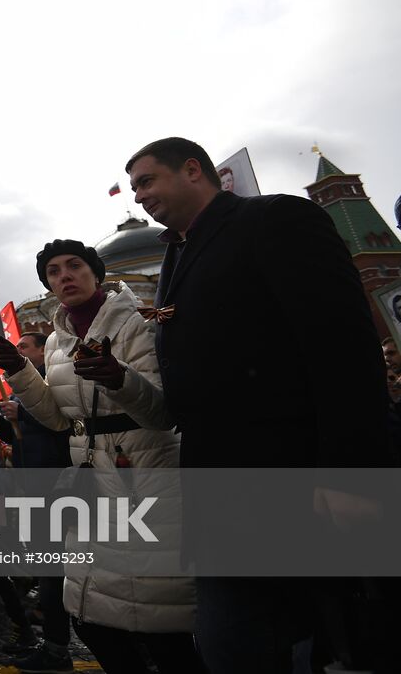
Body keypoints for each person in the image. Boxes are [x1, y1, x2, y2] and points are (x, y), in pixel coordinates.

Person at [124, 137, 391, 672]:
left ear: (193, 170)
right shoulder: (177, 252)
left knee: (320, 637)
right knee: (241, 639)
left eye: (147, 181)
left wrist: (350, 474)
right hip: (221, 484)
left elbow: (342, 347)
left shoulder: (274, 220)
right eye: (134, 188)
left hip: (291, 471)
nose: (140, 196)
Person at [0, 240, 204, 673]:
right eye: (53, 271)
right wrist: (19, 371)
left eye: (74, 266)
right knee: (91, 617)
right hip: (91, 484)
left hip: (145, 476)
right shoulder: (56, 340)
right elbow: (55, 419)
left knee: (160, 622)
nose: (64, 276)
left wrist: (118, 378)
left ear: (96, 272)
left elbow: (163, 412)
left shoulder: (138, 324)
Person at [0, 331, 75, 673]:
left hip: (55, 487)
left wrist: (22, 415)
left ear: (40, 352)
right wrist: (3, 428)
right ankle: (53, 646)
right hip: (33, 486)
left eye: (24, 347)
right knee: (46, 570)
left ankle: (57, 649)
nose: (17, 350)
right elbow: (25, 444)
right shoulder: (25, 391)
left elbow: (61, 429)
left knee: (54, 573)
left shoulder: (54, 384)